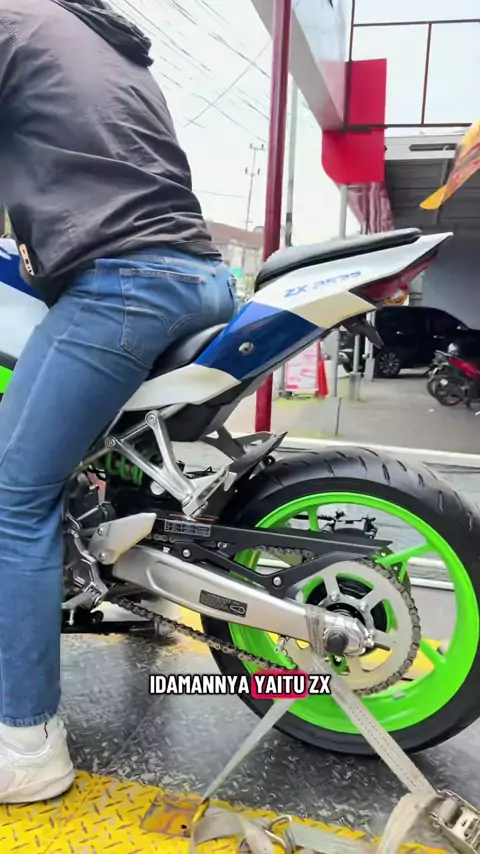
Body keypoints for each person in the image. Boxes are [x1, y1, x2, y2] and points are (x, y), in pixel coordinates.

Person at [0, 0, 236, 803]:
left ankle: (27, 743)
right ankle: (131, 597)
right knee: (90, 449)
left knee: (13, 495)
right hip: (197, 272)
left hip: (126, 281)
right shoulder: (95, 34)